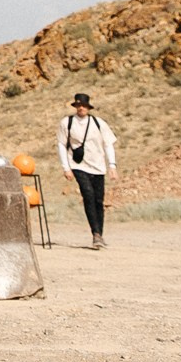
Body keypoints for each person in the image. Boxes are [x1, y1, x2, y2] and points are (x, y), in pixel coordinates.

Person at [56, 94, 116, 249]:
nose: (81, 108)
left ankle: (99, 235)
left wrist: (112, 166)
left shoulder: (98, 123)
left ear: (88, 107)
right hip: (78, 165)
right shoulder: (67, 123)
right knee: (88, 195)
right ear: (75, 107)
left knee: (98, 200)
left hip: (98, 166)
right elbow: (62, 145)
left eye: (83, 105)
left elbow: (108, 144)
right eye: (78, 105)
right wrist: (66, 168)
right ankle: (95, 233)